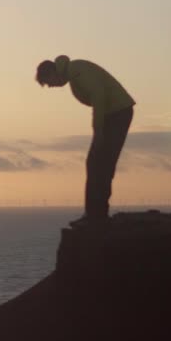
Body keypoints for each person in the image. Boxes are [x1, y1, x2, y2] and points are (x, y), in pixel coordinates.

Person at [36, 55, 135, 228]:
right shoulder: (73, 73)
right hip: (112, 115)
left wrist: (98, 130)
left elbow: (99, 96)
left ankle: (97, 216)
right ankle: (93, 214)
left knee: (102, 163)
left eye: (48, 81)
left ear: (52, 71)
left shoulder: (76, 71)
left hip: (118, 114)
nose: (50, 86)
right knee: (95, 163)